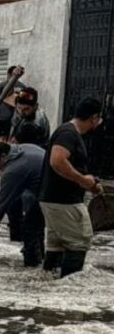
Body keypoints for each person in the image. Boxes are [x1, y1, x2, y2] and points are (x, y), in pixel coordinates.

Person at [39, 97, 105, 277]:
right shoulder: (68, 133)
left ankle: (48, 284)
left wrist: (89, 181)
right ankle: (67, 289)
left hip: (55, 200)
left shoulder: (66, 132)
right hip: (64, 201)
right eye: (98, 120)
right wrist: (83, 180)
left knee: (57, 243)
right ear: (94, 117)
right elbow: (57, 160)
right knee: (80, 240)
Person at [0, 142, 46, 267]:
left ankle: (32, 263)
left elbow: (2, 202)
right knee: (19, 206)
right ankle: (40, 255)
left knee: (30, 227)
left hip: (50, 193)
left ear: (3, 156)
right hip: (46, 186)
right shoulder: (24, 148)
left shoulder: (13, 170)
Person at [0, 66, 26, 139]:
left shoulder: (22, 86)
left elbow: (23, 100)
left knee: (11, 139)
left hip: (15, 119)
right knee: (1, 139)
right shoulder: (3, 85)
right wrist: (4, 98)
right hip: (3, 117)